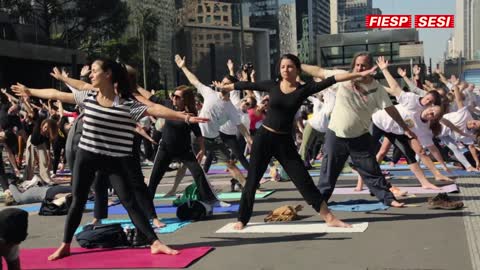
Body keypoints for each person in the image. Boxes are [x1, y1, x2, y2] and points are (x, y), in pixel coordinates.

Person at [11, 59, 208, 260]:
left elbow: (154, 110)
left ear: (108, 75)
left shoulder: (126, 104)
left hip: (114, 159)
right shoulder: (88, 96)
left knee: (129, 201)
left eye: (94, 71)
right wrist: (30, 91)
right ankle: (65, 244)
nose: (90, 74)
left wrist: (185, 117)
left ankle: (155, 242)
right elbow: (56, 94)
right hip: (86, 156)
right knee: (78, 201)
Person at [215, 53, 379, 229]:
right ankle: (242, 219)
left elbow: (333, 79)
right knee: (252, 180)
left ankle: (329, 218)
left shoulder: (304, 89)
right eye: (283, 66)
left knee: (303, 180)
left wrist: (358, 74)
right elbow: (248, 84)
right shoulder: (273, 85)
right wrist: (228, 86)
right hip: (264, 138)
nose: (286, 70)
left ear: (297, 69)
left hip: (284, 141)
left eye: (290, 66)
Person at [301, 52, 415, 209]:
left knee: (372, 170)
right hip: (336, 134)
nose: (360, 68)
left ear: (371, 68)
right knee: (328, 171)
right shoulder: (342, 77)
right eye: (357, 65)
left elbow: (390, 109)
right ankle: (320, 202)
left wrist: (405, 128)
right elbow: (319, 72)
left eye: (364, 66)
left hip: (359, 136)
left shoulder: (376, 88)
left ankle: (388, 199)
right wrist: (296, 64)